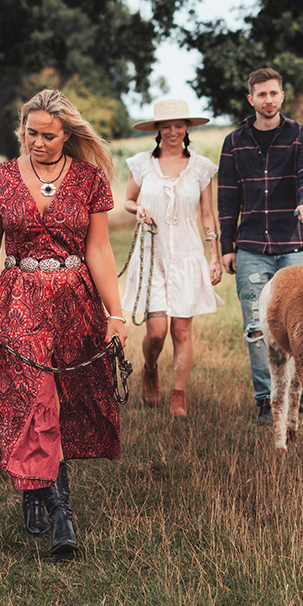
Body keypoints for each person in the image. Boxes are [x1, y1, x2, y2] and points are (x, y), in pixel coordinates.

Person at [0, 89, 128, 557]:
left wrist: (115, 313)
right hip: (18, 301)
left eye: (49, 135)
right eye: (31, 133)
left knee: (62, 403)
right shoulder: (0, 178)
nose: (38, 143)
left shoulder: (90, 180)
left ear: (67, 135)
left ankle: (34, 489)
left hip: (75, 302)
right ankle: (61, 513)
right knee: (34, 397)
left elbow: (99, 250)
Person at [218, 68, 303, 426]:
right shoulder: (234, 142)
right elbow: (227, 197)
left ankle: (301, 393)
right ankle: (267, 399)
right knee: (256, 327)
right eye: (261, 94)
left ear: (282, 96)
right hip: (250, 248)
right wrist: (227, 246)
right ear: (251, 99)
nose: (268, 100)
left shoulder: (301, 136)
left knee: (302, 326)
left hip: (293, 243)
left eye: (274, 93)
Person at [123, 99, 224, 417]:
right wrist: (137, 209)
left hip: (187, 256)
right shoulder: (142, 164)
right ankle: (150, 368)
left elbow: (207, 214)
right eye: (166, 126)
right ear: (157, 129)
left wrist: (215, 256)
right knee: (156, 332)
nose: (172, 131)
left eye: (179, 125)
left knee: (181, 331)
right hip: (151, 257)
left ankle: (178, 397)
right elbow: (128, 200)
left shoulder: (201, 168)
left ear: (187, 128)